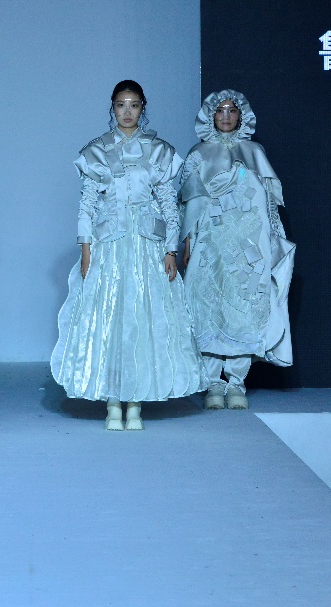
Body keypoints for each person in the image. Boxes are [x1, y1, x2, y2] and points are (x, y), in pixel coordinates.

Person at [51, 80, 206, 431]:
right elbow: (87, 205)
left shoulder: (159, 151)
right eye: (121, 104)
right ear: (112, 107)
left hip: (147, 246)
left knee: (145, 318)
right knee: (110, 319)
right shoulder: (97, 151)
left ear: (142, 107)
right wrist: (86, 248)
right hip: (109, 246)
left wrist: (170, 248)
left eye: (133, 104)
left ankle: (135, 402)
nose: (127, 111)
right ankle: (112, 401)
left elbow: (168, 204)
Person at [178, 89, 295, 410]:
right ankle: (213, 382)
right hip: (210, 244)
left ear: (241, 115)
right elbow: (189, 203)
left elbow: (268, 204)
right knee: (208, 306)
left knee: (244, 306)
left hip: (248, 248)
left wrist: (274, 240)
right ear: (210, 115)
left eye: (232, 110)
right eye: (220, 110)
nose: (226, 116)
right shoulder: (199, 153)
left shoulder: (254, 151)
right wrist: (187, 242)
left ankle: (237, 382)